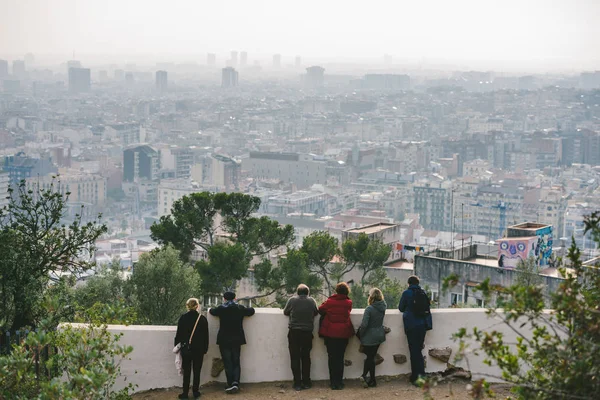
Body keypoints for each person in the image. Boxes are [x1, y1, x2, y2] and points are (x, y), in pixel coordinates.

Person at [209, 291, 255, 394]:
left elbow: (212, 311)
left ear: (224, 299)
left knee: (227, 362)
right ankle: (236, 383)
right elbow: (251, 311)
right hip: (237, 338)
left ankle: (229, 384)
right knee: (236, 361)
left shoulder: (221, 308)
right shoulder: (239, 308)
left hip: (224, 339)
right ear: (235, 299)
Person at [318, 282, 355, 390]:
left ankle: (333, 382)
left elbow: (320, 309)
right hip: (343, 334)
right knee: (340, 358)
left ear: (337, 291)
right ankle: (339, 382)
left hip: (330, 334)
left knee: (331, 358)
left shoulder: (329, 301)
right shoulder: (349, 302)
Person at [283, 283, 319, 391]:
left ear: (297, 292)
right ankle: (307, 382)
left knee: (295, 357)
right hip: (307, 332)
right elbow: (316, 312)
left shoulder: (292, 300)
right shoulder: (312, 301)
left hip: (294, 332)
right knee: (306, 357)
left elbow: (285, 312)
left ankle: (297, 383)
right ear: (308, 293)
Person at [398, 275, 432, 385]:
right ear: (418, 283)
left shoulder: (406, 293)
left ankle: (417, 377)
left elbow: (401, 308)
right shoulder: (423, 292)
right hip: (422, 325)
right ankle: (421, 375)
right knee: (418, 350)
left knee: (414, 351)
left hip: (411, 325)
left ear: (409, 283)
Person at [174, 298, 209, 400]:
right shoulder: (202, 319)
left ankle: (185, 393)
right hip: (198, 349)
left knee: (187, 371)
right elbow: (205, 336)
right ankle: (195, 392)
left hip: (186, 349)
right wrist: (205, 349)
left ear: (187, 306)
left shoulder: (183, 318)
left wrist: (177, 346)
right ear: (197, 306)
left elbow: (178, 334)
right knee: (197, 371)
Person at [358, 288, 386, 388]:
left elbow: (364, 325)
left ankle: (365, 376)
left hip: (369, 336)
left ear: (371, 297)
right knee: (371, 357)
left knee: (370, 357)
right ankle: (371, 379)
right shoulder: (383, 306)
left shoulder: (369, 309)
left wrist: (360, 334)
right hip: (379, 334)